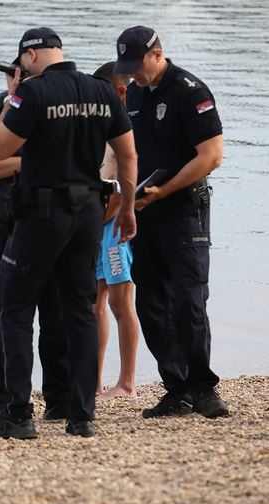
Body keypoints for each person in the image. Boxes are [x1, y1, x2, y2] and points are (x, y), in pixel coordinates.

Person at [0, 27, 137, 439]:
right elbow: (127, 153)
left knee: (16, 309)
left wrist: (11, 98)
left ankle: (19, 416)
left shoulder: (31, 93)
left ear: (32, 56)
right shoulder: (101, 91)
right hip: (89, 211)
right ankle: (82, 415)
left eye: (21, 61)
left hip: (41, 211)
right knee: (81, 310)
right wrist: (126, 208)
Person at [114, 26, 228, 418]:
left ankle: (203, 386)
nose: (132, 74)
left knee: (189, 300)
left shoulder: (189, 90)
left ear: (157, 53)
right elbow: (127, 154)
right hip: (147, 208)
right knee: (150, 302)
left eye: (137, 65)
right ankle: (175, 386)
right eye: (125, 67)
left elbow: (211, 155)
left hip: (184, 209)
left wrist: (166, 190)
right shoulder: (135, 94)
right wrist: (127, 200)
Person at [0, 63, 70, 427]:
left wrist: (12, 163)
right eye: (17, 78)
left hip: (54, 222)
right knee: (2, 316)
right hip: (5, 223)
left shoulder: (61, 110)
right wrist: (35, 163)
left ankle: (59, 398)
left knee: (57, 314)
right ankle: (1, 400)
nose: (20, 83)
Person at [91, 62, 141, 398]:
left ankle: (127, 382)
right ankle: (93, 381)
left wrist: (112, 215)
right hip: (93, 220)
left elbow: (126, 184)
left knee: (121, 303)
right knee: (94, 304)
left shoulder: (126, 126)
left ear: (118, 90)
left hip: (113, 224)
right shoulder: (101, 123)